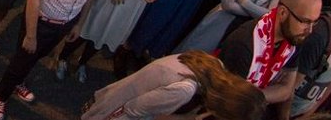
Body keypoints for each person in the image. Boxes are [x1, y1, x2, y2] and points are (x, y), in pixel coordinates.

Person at [218, 0, 322, 107]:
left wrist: (255, 96)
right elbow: (232, 99)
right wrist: (268, 93)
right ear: (283, 13)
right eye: (305, 21)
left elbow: (287, 89)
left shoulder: (294, 38)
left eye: (314, 22)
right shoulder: (244, 44)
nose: (309, 30)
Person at [82, 51, 265, 120]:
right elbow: (134, 109)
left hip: (117, 94)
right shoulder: (185, 90)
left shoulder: (215, 64)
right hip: (113, 110)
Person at [289, 4, 331, 117]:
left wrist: (309, 114)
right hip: (284, 110)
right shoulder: (321, 33)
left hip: (304, 111)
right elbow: (292, 83)